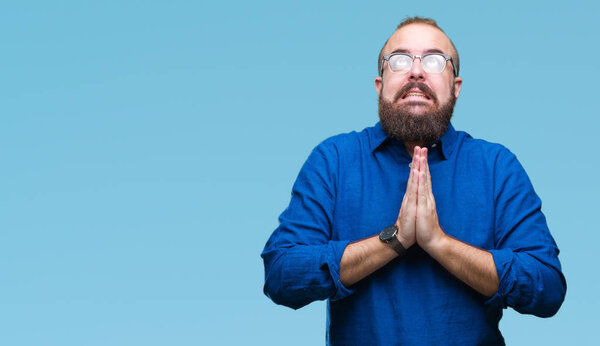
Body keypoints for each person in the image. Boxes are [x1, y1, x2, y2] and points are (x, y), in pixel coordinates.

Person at [261, 17, 566, 345]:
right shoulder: (334, 160)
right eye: (400, 60)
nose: (417, 71)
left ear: (456, 87)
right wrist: (394, 240)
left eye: (435, 60)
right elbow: (282, 275)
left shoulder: (496, 167)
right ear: (380, 85)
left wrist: (439, 243)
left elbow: (547, 287)